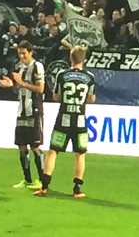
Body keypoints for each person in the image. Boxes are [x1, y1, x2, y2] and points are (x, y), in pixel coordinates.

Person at [33, 46, 96, 198]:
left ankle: (44, 187)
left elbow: (56, 97)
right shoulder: (90, 76)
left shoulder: (62, 74)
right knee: (80, 154)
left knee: (53, 151)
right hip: (80, 121)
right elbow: (92, 99)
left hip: (63, 119)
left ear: (70, 57)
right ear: (84, 59)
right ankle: (77, 189)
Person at [0, 40, 46, 189]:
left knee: (35, 146)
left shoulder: (37, 66)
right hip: (21, 111)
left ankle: (43, 180)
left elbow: (40, 89)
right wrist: (12, 85)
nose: (21, 56)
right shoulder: (19, 67)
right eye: (19, 53)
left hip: (34, 111)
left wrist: (21, 82)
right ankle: (28, 180)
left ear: (31, 53)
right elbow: (18, 90)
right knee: (21, 146)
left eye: (24, 53)